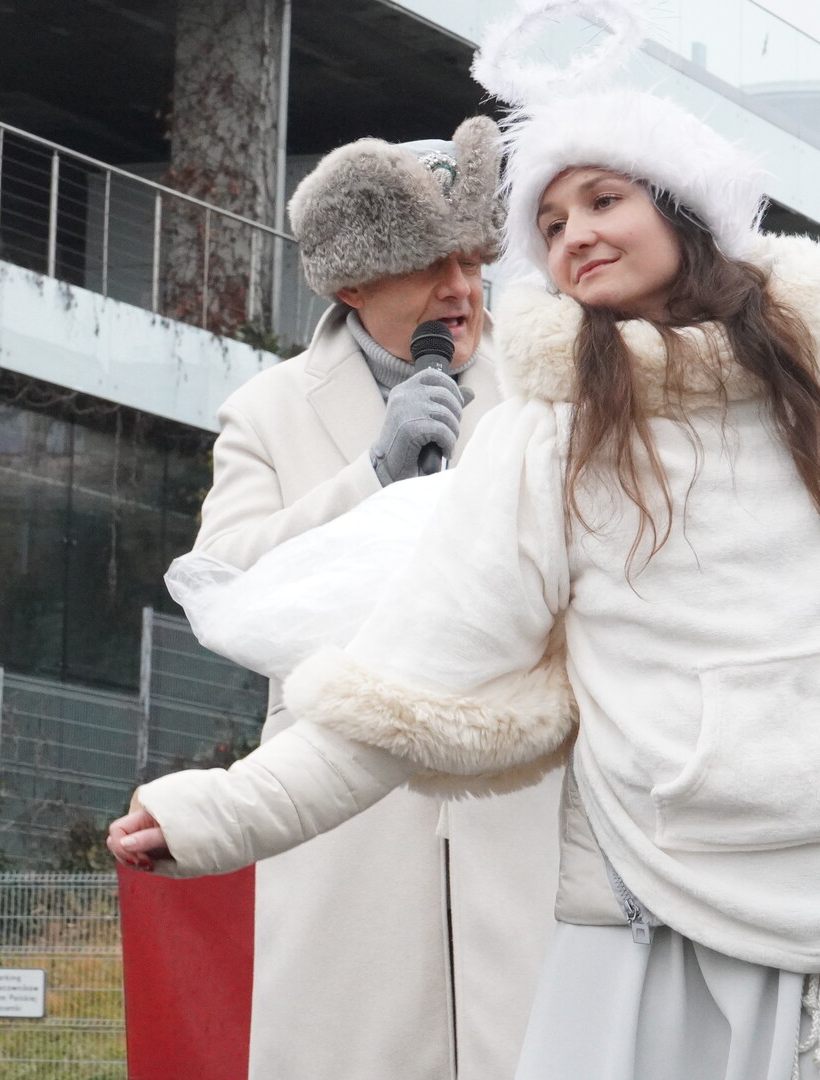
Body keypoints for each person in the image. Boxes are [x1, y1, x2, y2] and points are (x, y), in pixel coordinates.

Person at [109, 6, 820, 1077]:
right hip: (643, 904)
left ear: (683, 207)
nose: (572, 235)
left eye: (602, 200)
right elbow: (408, 680)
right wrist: (221, 813)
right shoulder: (544, 440)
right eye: (551, 223)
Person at [170, 116, 563, 1080]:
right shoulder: (266, 411)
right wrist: (372, 476)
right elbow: (223, 585)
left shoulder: (553, 385)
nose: (461, 289)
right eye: (431, 265)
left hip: (522, 801)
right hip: (342, 819)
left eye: (472, 261)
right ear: (352, 283)